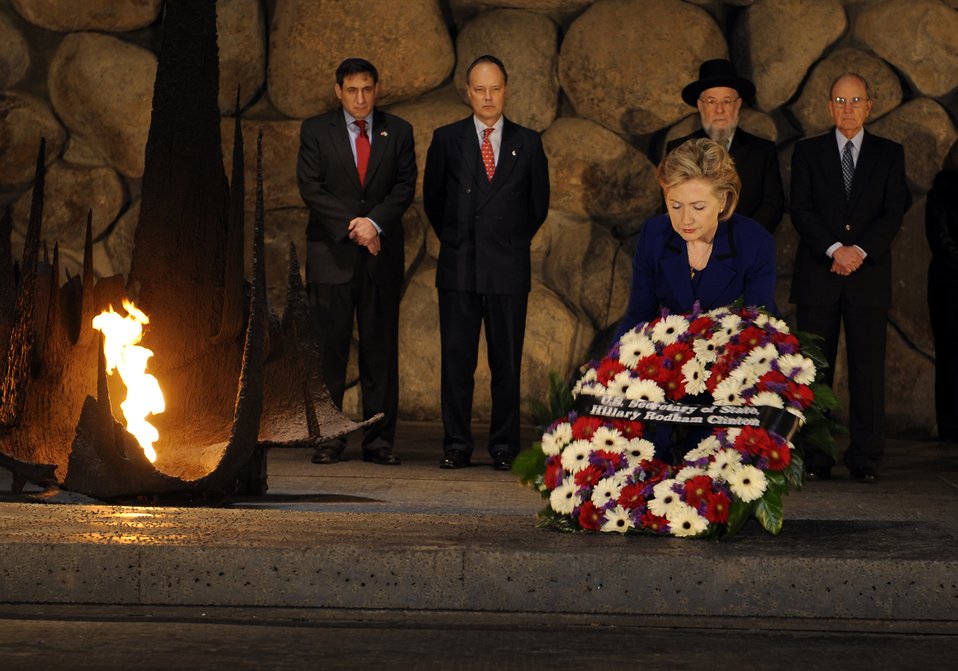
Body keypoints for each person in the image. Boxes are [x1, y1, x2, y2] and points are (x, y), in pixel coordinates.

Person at [422, 54, 550, 471]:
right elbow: (434, 201)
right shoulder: (446, 139)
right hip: (459, 266)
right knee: (457, 363)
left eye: (495, 88)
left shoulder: (528, 142)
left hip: (507, 269)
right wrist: (460, 241)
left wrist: (507, 243)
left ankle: (503, 446)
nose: (488, 96)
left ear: (506, 89)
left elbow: (537, 206)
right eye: (480, 88)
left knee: (506, 365)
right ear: (468, 92)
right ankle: (456, 445)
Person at [296, 58, 417, 466]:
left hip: (379, 259)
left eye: (367, 89)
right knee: (329, 353)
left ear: (376, 89)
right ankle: (328, 438)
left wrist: (375, 224)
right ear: (338, 91)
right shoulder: (316, 131)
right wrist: (355, 227)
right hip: (332, 257)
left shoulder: (398, 131)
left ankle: (378, 441)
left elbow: (404, 187)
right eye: (352, 90)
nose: (360, 98)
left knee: (380, 353)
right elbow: (311, 188)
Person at [790, 72, 908, 483]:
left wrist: (857, 251)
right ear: (829, 107)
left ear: (869, 106)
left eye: (856, 100)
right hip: (818, 276)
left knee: (867, 369)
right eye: (840, 101)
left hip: (867, 276)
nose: (848, 109)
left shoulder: (890, 154)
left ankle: (865, 456)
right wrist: (833, 250)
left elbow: (894, 210)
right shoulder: (807, 153)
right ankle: (818, 455)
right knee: (814, 371)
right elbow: (800, 208)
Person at [617, 137, 777, 340]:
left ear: (723, 200)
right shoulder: (654, 235)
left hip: (737, 354)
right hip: (671, 356)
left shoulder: (755, 242)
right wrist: (607, 367)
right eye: (675, 206)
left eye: (698, 207)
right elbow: (638, 317)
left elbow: (757, 327)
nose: (685, 219)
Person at [666, 59, 784, 233]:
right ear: (700, 106)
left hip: (747, 250)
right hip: (693, 251)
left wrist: (742, 241)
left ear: (737, 105)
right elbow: (671, 208)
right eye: (711, 102)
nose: (719, 110)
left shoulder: (762, 151)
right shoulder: (678, 151)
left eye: (727, 101)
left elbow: (772, 206)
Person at [925, 139, 958, 443]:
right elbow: (938, 236)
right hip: (950, 288)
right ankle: (950, 427)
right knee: (950, 357)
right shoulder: (943, 190)